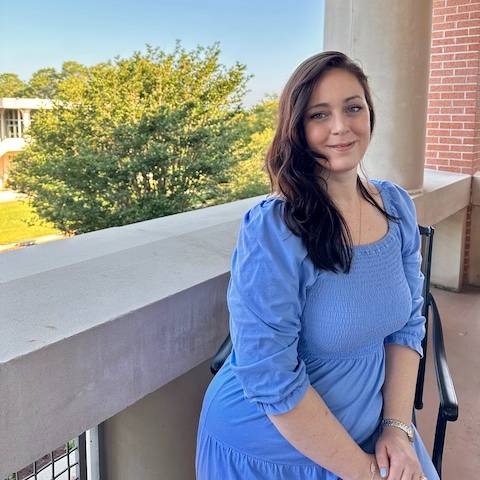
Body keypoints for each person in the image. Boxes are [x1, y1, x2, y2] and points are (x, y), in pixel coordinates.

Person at [195, 51, 438, 480]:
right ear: (298, 129)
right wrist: (362, 473)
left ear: (369, 113)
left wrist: (397, 429)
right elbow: (270, 375)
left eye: (353, 107)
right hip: (274, 451)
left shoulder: (396, 205)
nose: (340, 127)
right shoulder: (276, 227)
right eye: (319, 115)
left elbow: (407, 325)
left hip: (373, 434)